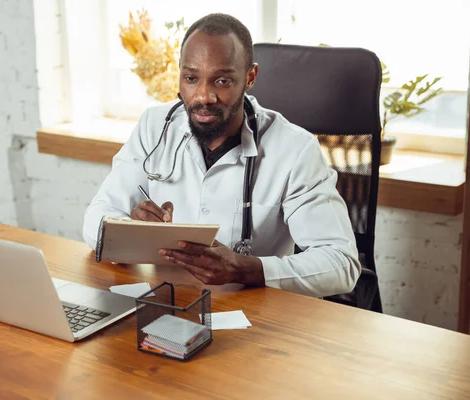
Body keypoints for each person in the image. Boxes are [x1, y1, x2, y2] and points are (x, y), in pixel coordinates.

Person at [83, 13, 361, 298]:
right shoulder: (155, 126)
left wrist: (245, 269)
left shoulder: (294, 149)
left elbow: (342, 264)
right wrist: (129, 232)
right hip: (165, 303)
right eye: (191, 78)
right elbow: (96, 217)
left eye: (222, 81)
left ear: (249, 77)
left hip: (256, 316)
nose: (203, 96)